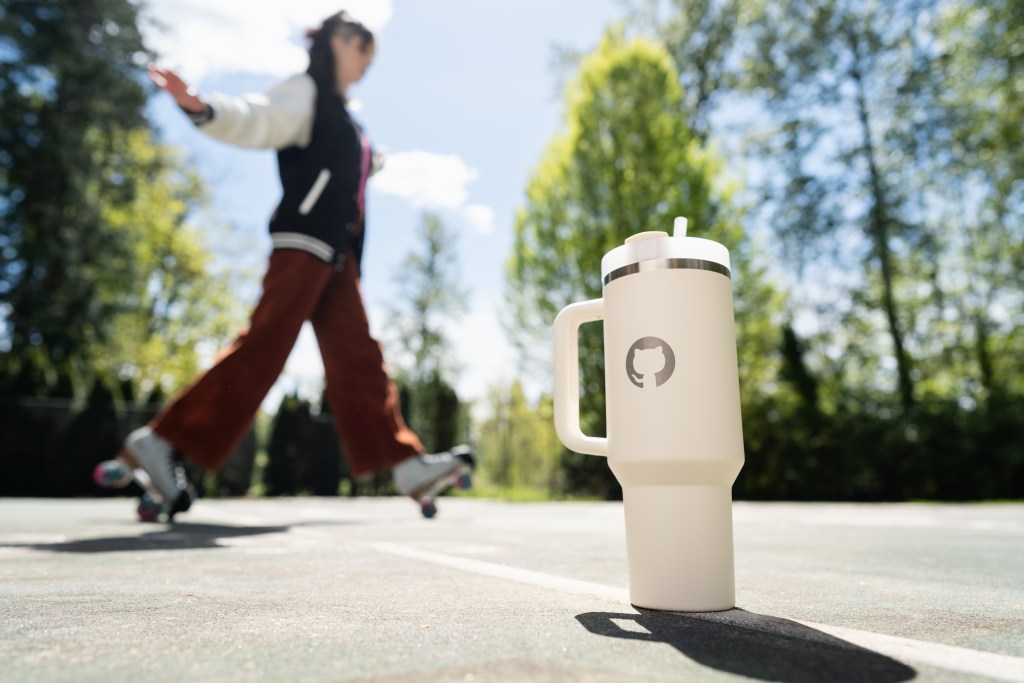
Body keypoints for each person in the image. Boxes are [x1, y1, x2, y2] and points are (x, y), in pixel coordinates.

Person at [118, 10, 473, 518]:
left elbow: (354, 165)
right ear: (336, 42)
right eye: (361, 48)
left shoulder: (349, 120)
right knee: (265, 346)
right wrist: (203, 107)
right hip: (303, 243)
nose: (367, 61)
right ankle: (160, 440)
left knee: (360, 356)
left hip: (338, 255)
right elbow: (257, 116)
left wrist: (373, 159)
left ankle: (404, 462)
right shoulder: (305, 93)